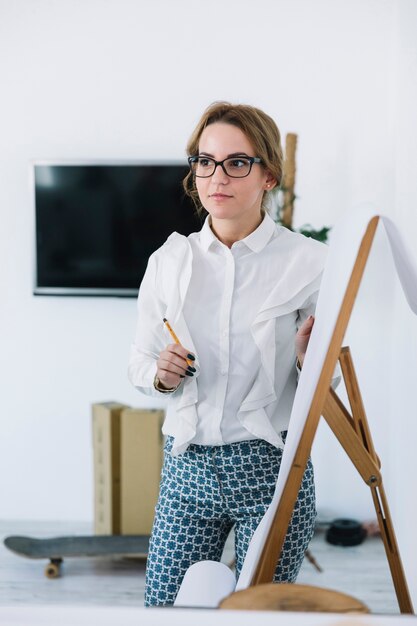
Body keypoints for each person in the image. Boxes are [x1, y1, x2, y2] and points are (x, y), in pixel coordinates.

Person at [128, 101, 329, 607]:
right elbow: (139, 361)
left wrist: (308, 357)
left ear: (269, 176)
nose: (217, 176)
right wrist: (161, 375)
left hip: (272, 468)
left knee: (264, 615)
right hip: (186, 467)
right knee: (163, 609)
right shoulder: (169, 261)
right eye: (205, 160)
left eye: (237, 162)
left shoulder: (310, 262)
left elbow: (332, 385)